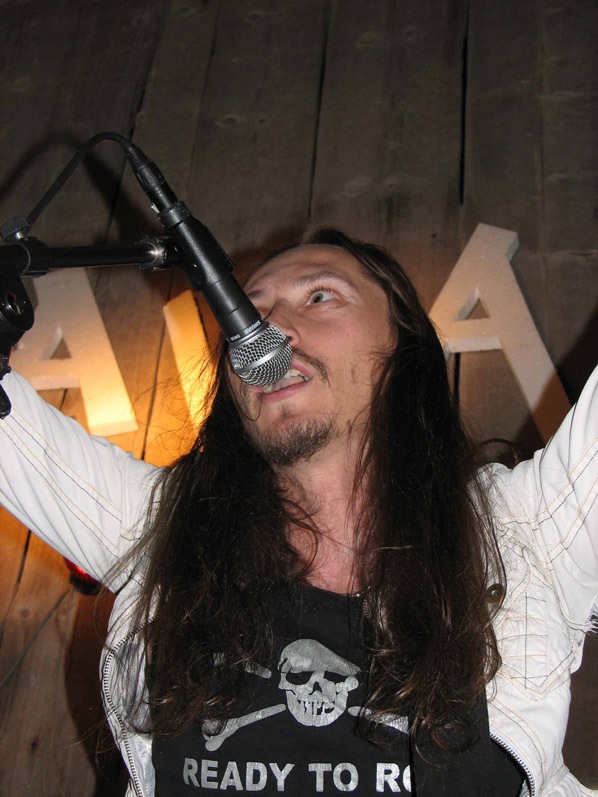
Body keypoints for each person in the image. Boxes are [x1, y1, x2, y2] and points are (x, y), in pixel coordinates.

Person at [0, 228, 596, 797]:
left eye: (320, 297)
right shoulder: (168, 529)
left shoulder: (524, 530)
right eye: (249, 308)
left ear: (402, 341)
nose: (265, 328)